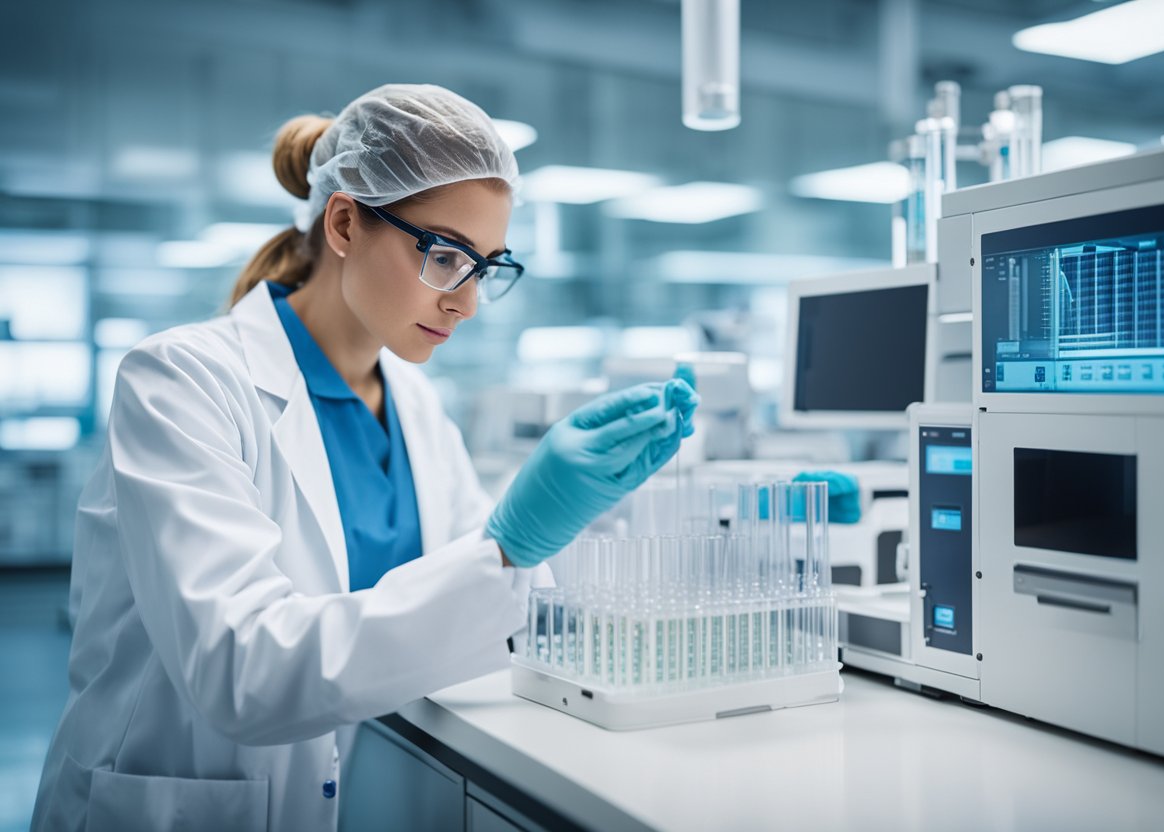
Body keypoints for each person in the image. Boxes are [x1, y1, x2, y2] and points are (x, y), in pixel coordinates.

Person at [31, 84, 698, 832]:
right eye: (447, 256)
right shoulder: (182, 383)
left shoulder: (414, 406)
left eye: (487, 267)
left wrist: (651, 514)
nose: (467, 301)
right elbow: (242, 672)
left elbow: (476, 602)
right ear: (345, 222)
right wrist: (508, 545)